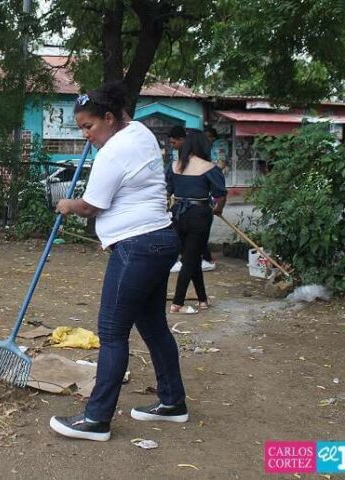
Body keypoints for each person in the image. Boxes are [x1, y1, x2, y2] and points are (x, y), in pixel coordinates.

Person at [48, 82, 188, 442]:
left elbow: (91, 206)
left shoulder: (112, 152)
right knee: (154, 326)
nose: (86, 135)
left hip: (137, 246)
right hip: (159, 240)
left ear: (109, 118)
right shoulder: (140, 132)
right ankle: (172, 402)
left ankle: (96, 419)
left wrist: (66, 204)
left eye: (89, 126)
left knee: (111, 333)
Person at [166, 130, 227, 314]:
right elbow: (220, 195)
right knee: (190, 259)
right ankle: (177, 304)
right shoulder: (210, 168)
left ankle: (202, 300)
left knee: (192, 257)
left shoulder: (174, 166)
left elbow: (167, 191)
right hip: (199, 215)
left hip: (177, 214)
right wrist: (218, 209)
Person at [168, 126, 216, 273]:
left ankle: (200, 260)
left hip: (196, 210)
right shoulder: (176, 164)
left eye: (174, 142)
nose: (173, 145)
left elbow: (219, 193)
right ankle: (195, 261)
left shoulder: (207, 167)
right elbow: (168, 188)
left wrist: (217, 207)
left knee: (194, 245)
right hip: (184, 210)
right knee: (190, 245)